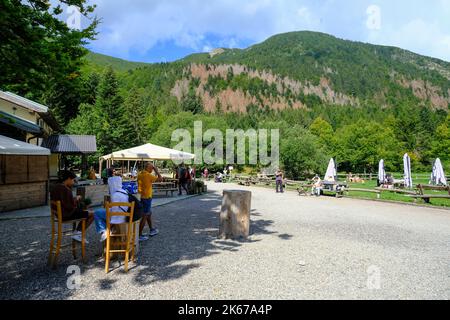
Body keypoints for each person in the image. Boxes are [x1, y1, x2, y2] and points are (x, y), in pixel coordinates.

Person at [50, 171, 94, 243]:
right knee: (92, 214)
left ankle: (77, 233)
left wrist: (73, 199)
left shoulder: (56, 187)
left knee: (87, 212)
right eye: (73, 180)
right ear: (68, 179)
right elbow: (70, 206)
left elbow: (63, 201)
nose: (73, 182)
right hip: (67, 214)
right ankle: (78, 233)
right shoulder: (65, 189)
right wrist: (76, 200)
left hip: (59, 214)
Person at [93, 176, 129, 242]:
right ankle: (108, 230)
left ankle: (104, 231)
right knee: (102, 213)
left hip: (118, 217)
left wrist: (110, 226)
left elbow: (113, 213)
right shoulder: (124, 192)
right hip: (125, 216)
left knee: (97, 213)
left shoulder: (115, 195)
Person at [138, 162, 163, 241]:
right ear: (148, 168)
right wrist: (156, 170)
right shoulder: (148, 175)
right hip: (147, 197)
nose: (152, 170)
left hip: (141, 196)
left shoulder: (140, 174)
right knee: (145, 215)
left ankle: (152, 229)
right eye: (152, 168)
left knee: (148, 213)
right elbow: (160, 179)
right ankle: (139, 234)